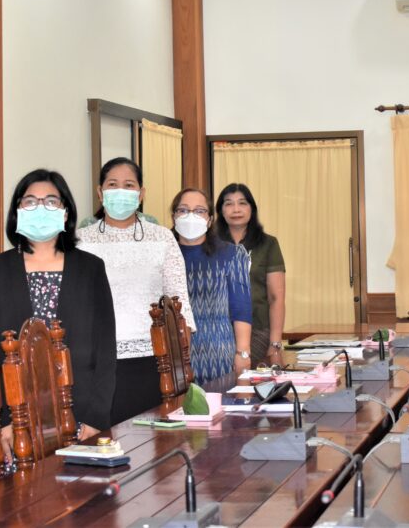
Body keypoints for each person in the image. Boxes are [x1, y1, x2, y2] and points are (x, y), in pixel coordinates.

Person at [0, 169, 116, 454]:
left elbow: (106, 348)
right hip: (15, 418)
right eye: (30, 202)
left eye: (51, 201)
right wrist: (2, 421)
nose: (40, 208)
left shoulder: (90, 268)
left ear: (65, 212)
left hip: (81, 414)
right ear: (17, 211)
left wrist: (96, 417)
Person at [75, 157, 194, 424]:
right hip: (95, 365)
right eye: (112, 184)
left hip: (153, 362)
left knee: (150, 441)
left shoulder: (162, 237)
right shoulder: (81, 241)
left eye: (129, 185)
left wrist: (181, 366)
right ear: (100, 193)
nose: (121, 191)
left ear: (141, 194)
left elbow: (180, 306)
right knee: (102, 441)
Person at [171, 188, 252, 382]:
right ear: (174, 216)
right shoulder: (164, 255)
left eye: (199, 211)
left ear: (209, 220)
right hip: (174, 357)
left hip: (219, 355)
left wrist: (243, 353)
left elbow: (241, 309)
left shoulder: (231, 254)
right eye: (183, 210)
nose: (191, 215)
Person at [215, 183, 285, 367]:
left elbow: (276, 298)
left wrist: (275, 344)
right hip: (218, 330)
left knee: (244, 373)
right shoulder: (211, 245)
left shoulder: (268, 244)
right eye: (229, 203)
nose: (236, 209)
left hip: (257, 329)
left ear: (252, 209)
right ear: (221, 211)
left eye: (242, 203)